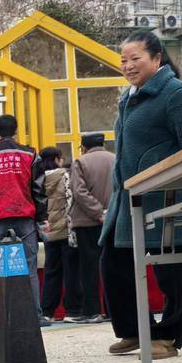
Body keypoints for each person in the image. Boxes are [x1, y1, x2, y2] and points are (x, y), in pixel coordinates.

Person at [101, 31, 182, 360]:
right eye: (123, 60)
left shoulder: (175, 93)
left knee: (173, 268)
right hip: (128, 200)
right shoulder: (129, 97)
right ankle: (135, 329)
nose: (128, 65)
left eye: (135, 58)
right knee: (113, 262)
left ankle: (168, 336)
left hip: (167, 197)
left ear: (157, 58)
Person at [0, 113, 46, 321]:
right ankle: (35, 316)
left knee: (0, 268)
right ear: (16, 131)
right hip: (24, 216)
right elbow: (39, 189)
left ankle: (4, 318)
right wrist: (41, 217)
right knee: (29, 267)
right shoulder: (30, 154)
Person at [67, 133, 113, 323]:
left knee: (89, 269)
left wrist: (97, 212)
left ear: (84, 147)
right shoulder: (115, 159)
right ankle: (113, 310)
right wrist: (108, 213)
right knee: (113, 266)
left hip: (87, 222)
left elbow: (79, 192)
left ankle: (92, 311)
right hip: (112, 220)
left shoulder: (80, 162)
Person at [39, 146, 81, 321]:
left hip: (48, 232)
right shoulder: (66, 175)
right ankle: (72, 311)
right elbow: (73, 199)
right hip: (66, 230)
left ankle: (47, 312)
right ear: (57, 159)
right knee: (71, 272)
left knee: (51, 272)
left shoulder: (37, 179)